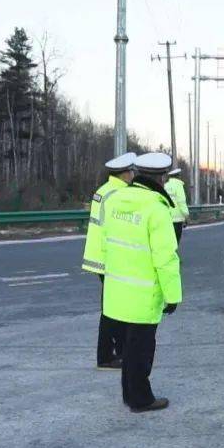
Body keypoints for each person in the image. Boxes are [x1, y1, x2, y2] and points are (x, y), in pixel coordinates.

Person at [100, 152, 181, 413]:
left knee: (129, 347)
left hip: (118, 289)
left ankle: (129, 394)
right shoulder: (156, 209)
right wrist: (173, 295)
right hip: (144, 293)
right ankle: (141, 399)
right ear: (162, 178)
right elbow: (166, 258)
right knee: (142, 349)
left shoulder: (116, 200)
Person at [82, 152, 140, 370]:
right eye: (132, 172)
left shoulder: (104, 190)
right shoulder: (119, 194)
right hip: (112, 257)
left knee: (112, 306)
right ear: (125, 174)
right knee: (114, 308)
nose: (133, 175)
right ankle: (108, 355)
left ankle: (113, 352)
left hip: (101, 255)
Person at [163, 168, 189, 243]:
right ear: (178, 176)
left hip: (167, 217)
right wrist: (186, 215)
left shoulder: (165, 186)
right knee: (175, 242)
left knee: (168, 242)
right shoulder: (178, 186)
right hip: (177, 219)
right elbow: (181, 201)